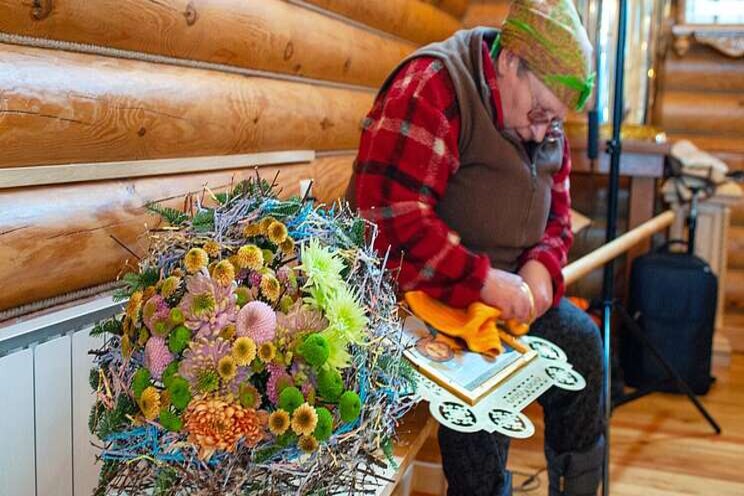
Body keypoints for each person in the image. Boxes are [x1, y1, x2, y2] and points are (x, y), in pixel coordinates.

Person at [346, 0, 604, 494]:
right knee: (482, 409)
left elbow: (559, 218)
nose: (542, 131)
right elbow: (389, 218)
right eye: (539, 113)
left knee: (584, 348)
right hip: (417, 297)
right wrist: (482, 280)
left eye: (554, 121)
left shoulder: (542, 117)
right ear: (509, 62)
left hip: (500, 293)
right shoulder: (435, 87)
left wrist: (542, 269)